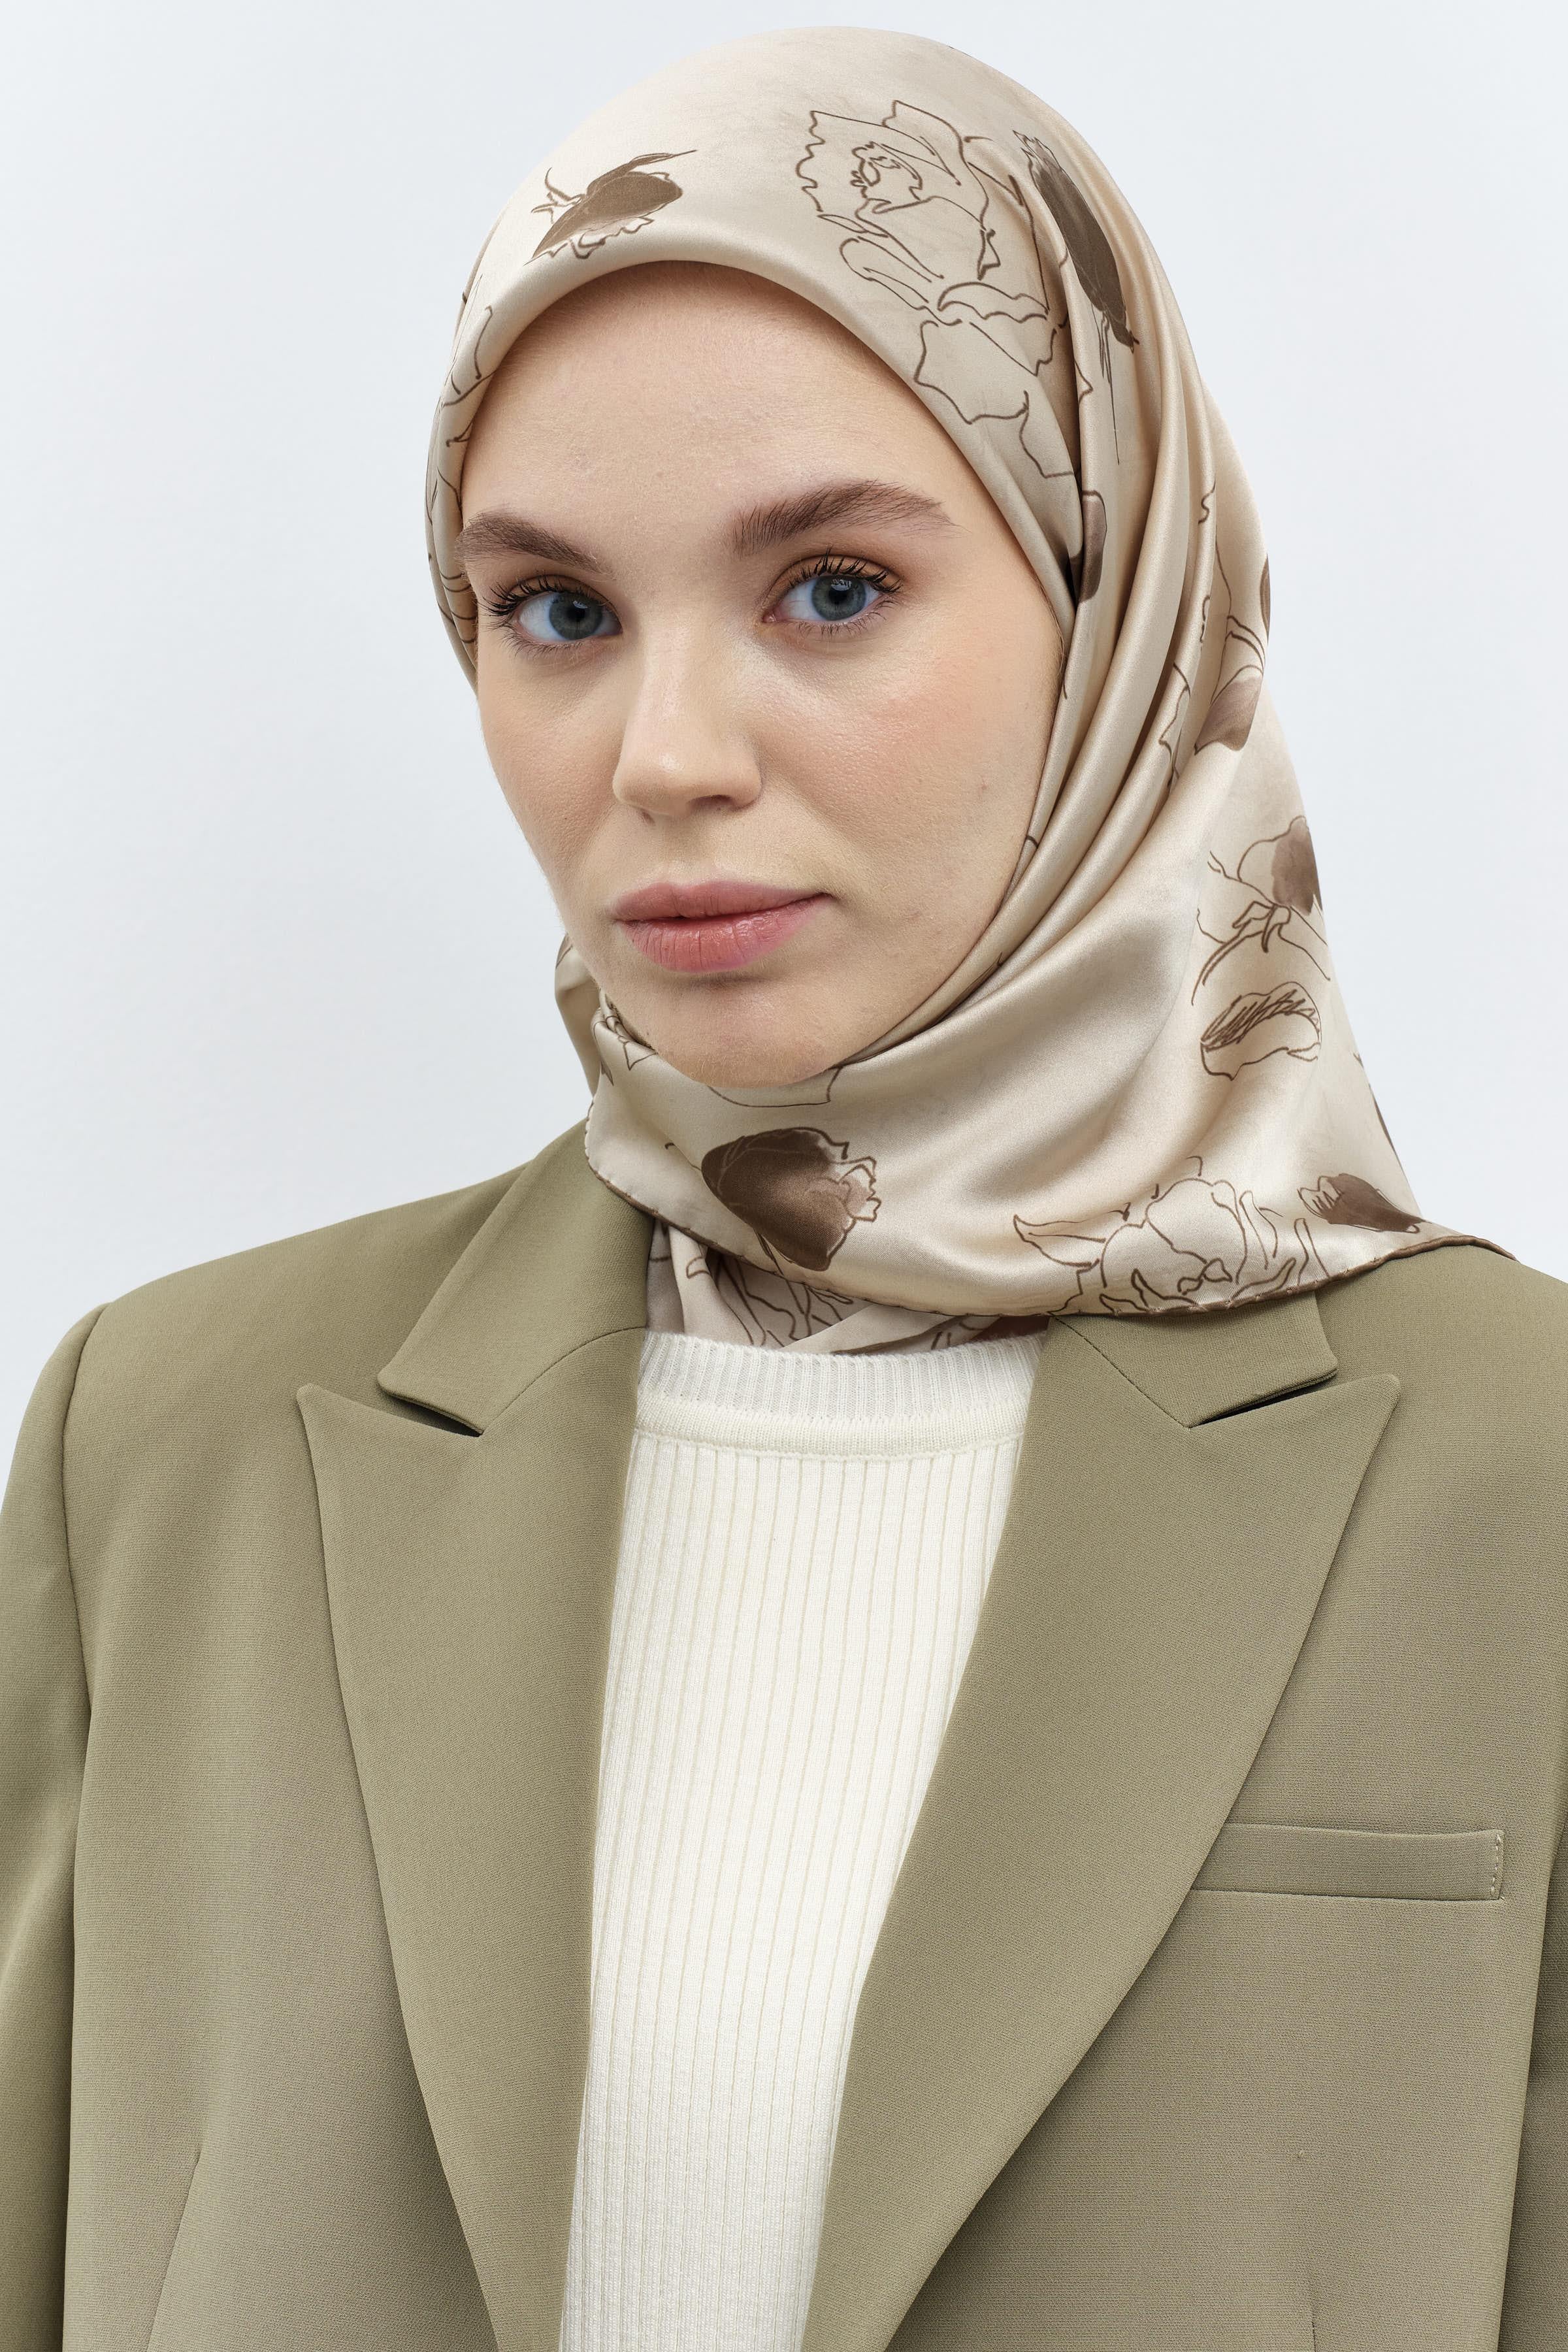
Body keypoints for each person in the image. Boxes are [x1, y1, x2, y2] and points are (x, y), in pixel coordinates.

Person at [3, 23, 1564, 2352]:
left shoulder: (1522, 1474)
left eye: (830, 588)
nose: (665, 757)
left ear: (1117, 597)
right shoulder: (165, 1450)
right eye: (558, 612)